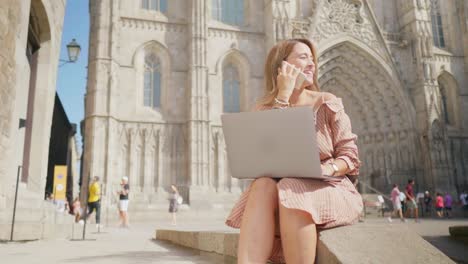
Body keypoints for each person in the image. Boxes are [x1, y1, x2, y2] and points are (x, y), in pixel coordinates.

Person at [225, 38, 363, 263]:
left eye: (312, 59)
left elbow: (350, 156)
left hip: (330, 187)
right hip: (281, 194)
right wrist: (283, 97)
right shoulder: (263, 108)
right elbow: (263, 159)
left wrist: (326, 168)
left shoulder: (327, 103)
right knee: (261, 185)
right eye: (303, 57)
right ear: (282, 66)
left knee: (290, 186)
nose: (311, 64)